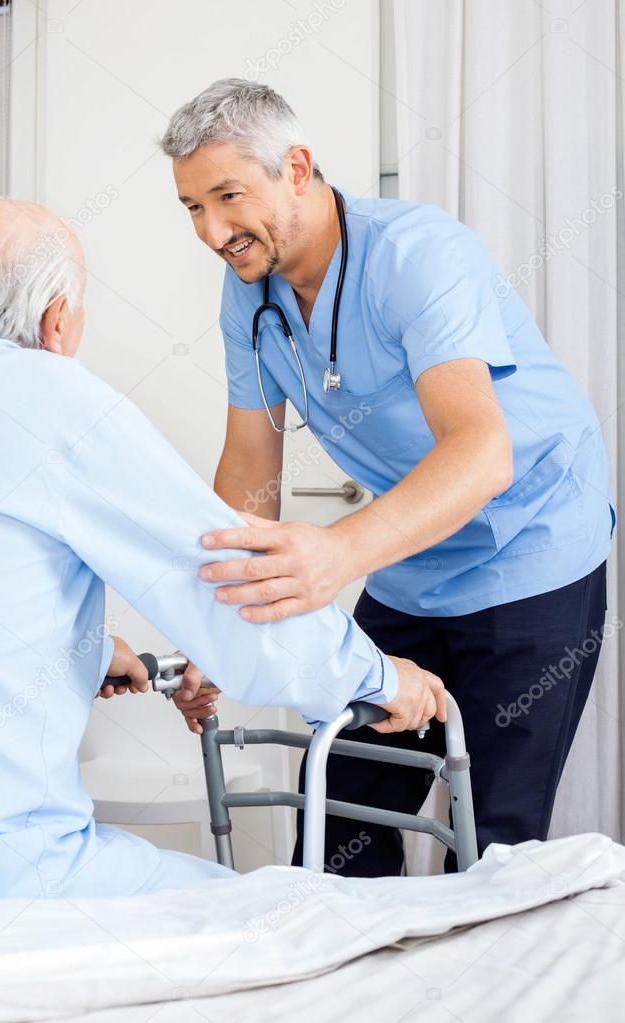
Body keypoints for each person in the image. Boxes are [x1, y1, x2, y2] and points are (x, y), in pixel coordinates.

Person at [0, 197, 442, 903]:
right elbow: (233, 585)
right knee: (282, 910)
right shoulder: (52, 402)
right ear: (57, 320)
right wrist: (380, 678)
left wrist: (83, 650)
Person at [160, 79, 616, 875]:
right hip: (414, 560)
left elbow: (480, 451)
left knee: (492, 840)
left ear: (296, 167)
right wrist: (212, 616)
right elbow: (248, 467)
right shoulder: (251, 295)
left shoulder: (415, 254)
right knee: (340, 813)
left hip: (532, 540)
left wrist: (335, 555)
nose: (211, 232)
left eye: (227, 196)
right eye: (192, 208)